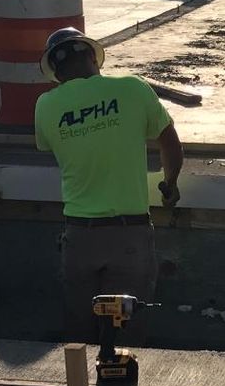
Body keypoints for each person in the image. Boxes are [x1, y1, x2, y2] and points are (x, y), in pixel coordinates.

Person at [34, 27, 185, 337]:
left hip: (79, 238)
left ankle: (81, 383)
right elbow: (170, 142)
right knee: (127, 332)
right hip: (129, 237)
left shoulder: (46, 106)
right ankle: (120, 383)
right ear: (93, 57)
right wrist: (170, 185)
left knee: (80, 336)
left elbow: (51, 146)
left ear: (57, 73)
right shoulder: (134, 89)